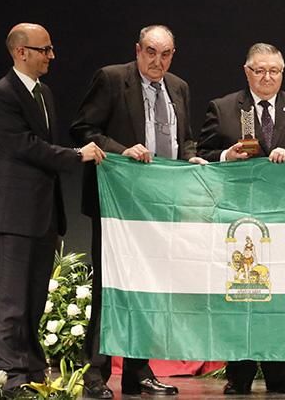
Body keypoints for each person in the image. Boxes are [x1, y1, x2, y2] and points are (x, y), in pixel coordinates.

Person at [71, 25, 197, 399]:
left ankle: (138, 372)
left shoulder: (179, 87)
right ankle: (95, 374)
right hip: (117, 206)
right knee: (111, 286)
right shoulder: (112, 79)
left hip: (159, 205)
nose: (158, 61)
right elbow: (83, 128)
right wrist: (121, 149)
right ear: (138, 50)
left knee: (149, 288)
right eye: (151, 52)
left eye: (166, 54)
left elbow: (184, 137)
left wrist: (190, 154)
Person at [197, 43, 285, 395]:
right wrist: (226, 155)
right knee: (240, 295)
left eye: (274, 71)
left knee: (281, 295)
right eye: (260, 70)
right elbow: (199, 153)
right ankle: (237, 375)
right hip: (236, 218)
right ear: (246, 71)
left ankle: (279, 373)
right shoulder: (224, 108)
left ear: (282, 73)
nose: (267, 77)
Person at [0, 23, 105, 397]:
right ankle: (12, 375)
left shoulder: (44, 93)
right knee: (13, 302)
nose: (51, 56)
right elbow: (24, 146)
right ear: (21, 52)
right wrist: (76, 156)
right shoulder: (1, 95)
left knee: (35, 300)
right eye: (45, 49)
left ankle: (33, 368)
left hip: (43, 214)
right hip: (15, 214)